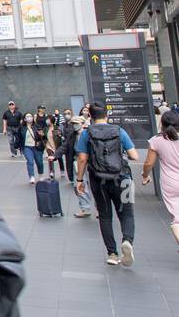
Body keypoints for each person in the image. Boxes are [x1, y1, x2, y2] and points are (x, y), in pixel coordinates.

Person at [76, 104, 140, 266]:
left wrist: (79, 180)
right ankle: (127, 241)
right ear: (107, 115)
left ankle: (112, 253)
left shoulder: (86, 133)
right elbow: (135, 155)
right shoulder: (119, 131)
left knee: (105, 215)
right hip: (123, 178)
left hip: (98, 180)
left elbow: (82, 159)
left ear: (90, 116)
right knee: (127, 213)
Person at [142, 108, 179, 249]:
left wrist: (145, 176)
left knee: (177, 219)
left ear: (162, 124)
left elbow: (149, 163)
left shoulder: (156, 141)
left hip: (170, 182)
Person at [18, 113, 46, 184]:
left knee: (39, 162)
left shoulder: (37, 126)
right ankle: (32, 176)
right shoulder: (22, 127)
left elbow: (43, 137)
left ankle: (41, 175)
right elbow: (19, 137)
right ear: (24, 119)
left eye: (30, 116)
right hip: (27, 147)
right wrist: (17, 146)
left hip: (37, 147)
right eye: (27, 116)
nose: (29, 118)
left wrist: (42, 135)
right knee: (30, 161)